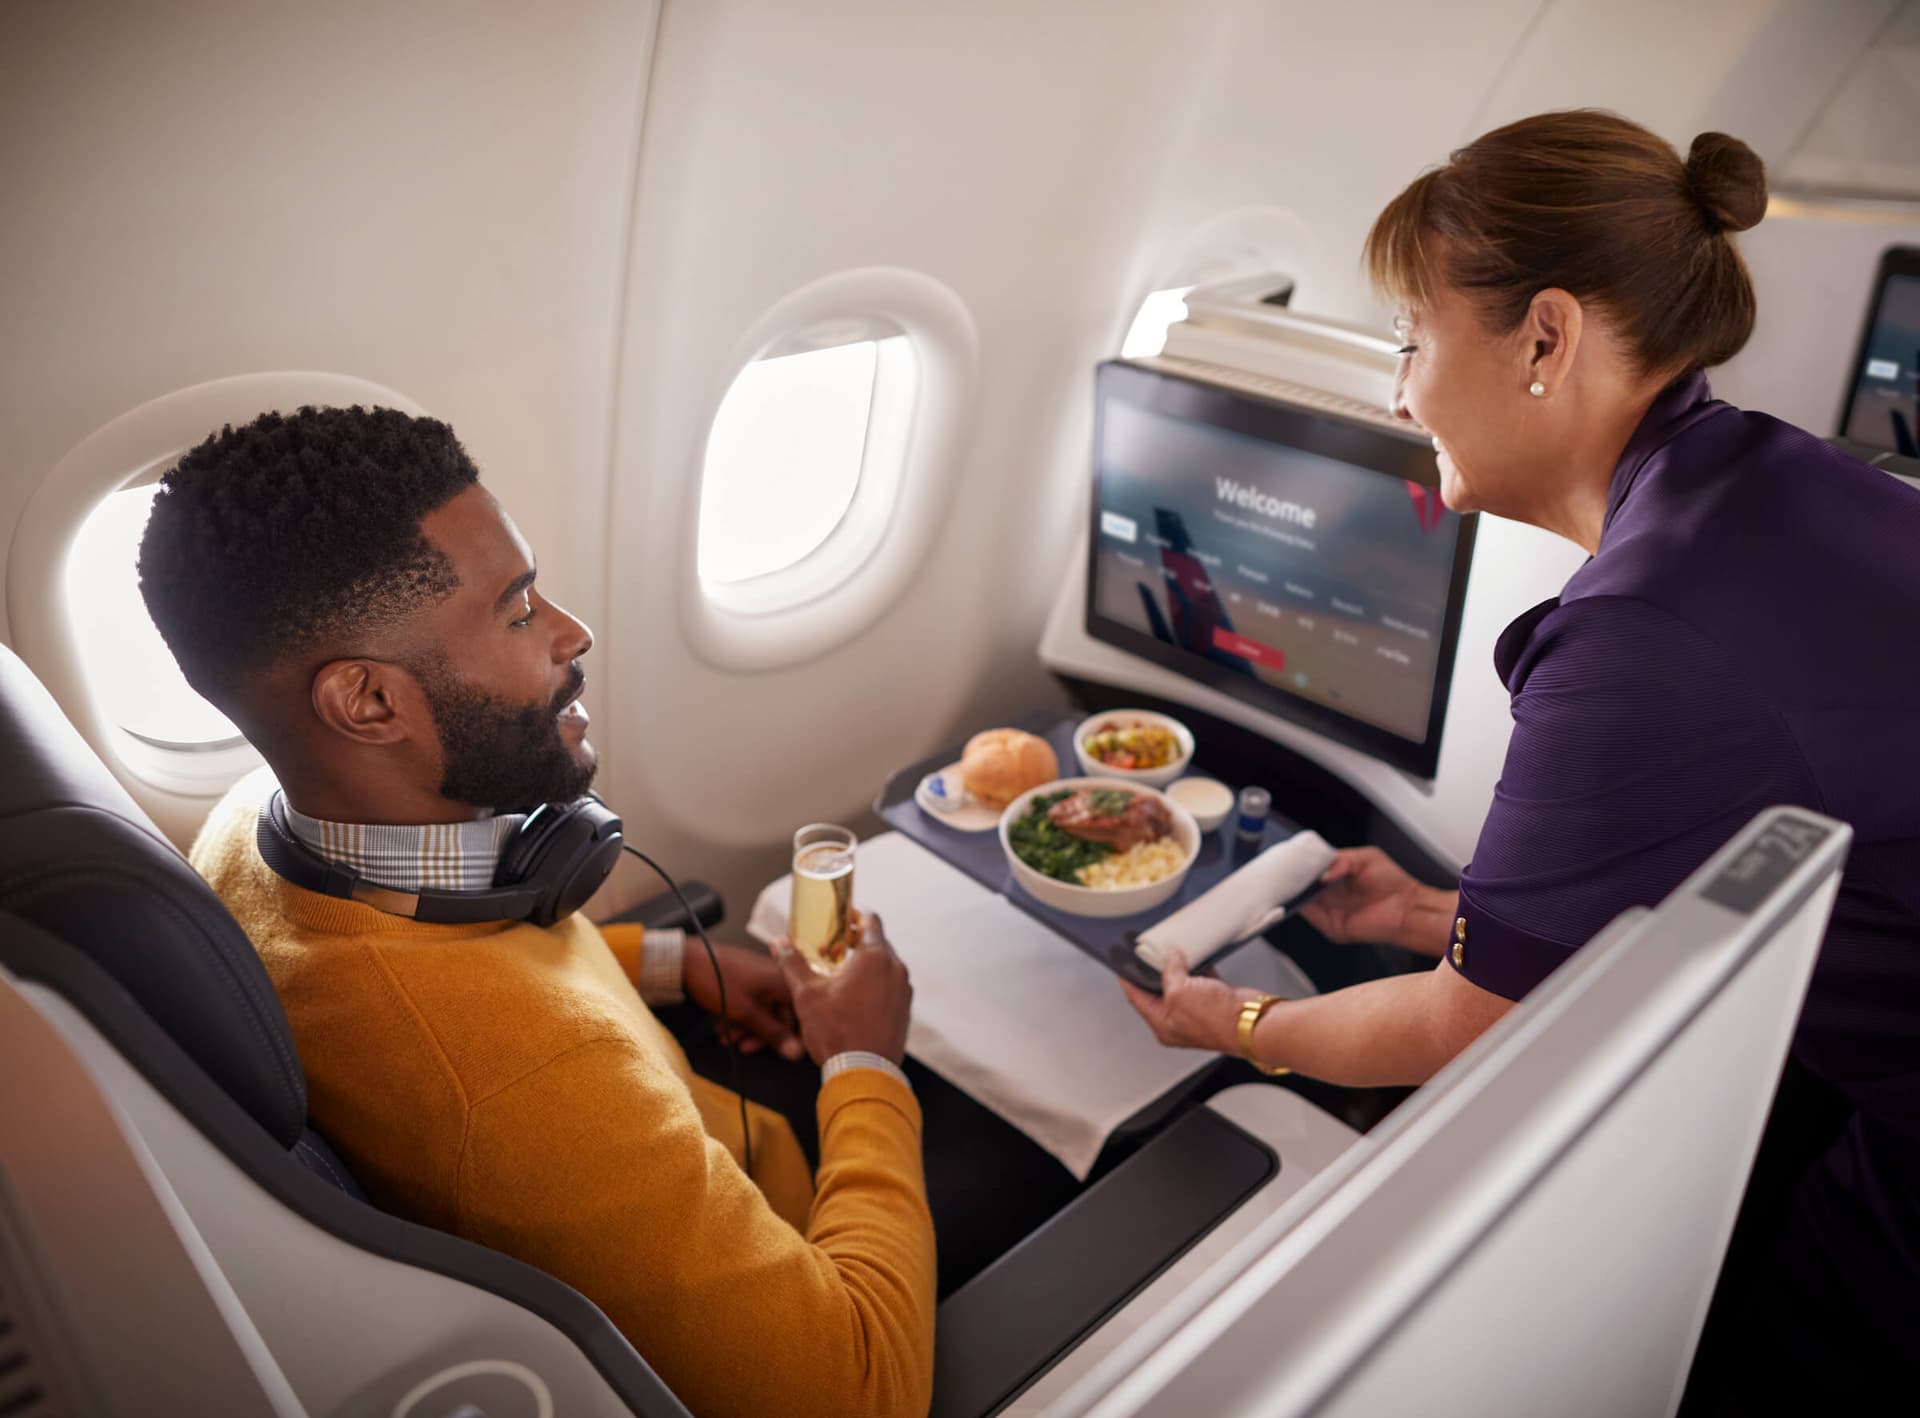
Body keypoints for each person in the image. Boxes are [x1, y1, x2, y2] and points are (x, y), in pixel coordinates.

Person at [1121, 110, 1920, 1401]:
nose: (1397, 390)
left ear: (1546, 336)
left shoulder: (1643, 629)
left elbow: (1459, 1027)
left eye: (1412, 340)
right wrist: (1442, 911)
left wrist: (1241, 1020)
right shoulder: (1763, 477)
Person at [138, 407, 934, 1418]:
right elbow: (859, 1392)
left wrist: (665, 964)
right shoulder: (526, 1089)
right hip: (807, 1235)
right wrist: (864, 1064)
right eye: (518, 612)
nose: (571, 631)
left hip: (694, 1143)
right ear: (368, 702)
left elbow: (467, 967)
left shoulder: (254, 827)